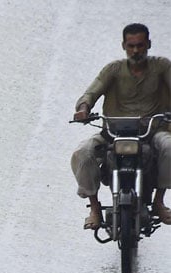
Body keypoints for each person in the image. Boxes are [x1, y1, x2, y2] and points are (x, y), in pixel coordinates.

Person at [71, 23, 171, 229]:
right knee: (82, 152)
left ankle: (159, 200)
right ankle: (95, 207)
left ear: (148, 44)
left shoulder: (162, 67)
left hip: (153, 130)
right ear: (124, 46)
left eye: (140, 45)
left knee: (169, 148)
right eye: (131, 46)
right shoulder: (113, 70)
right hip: (114, 131)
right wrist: (83, 108)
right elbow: (92, 92)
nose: (136, 50)